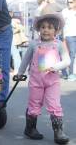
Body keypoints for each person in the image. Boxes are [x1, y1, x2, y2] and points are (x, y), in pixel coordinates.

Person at [17, 13, 70, 144]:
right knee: (34, 104)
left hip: (52, 82)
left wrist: (56, 66)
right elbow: (26, 59)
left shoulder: (59, 44)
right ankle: (30, 128)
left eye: (50, 27)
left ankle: (59, 132)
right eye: (43, 27)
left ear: (56, 30)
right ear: (39, 29)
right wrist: (20, 72)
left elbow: (67, 60)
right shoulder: (34, 44)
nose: (46, 30)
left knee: (55, 104)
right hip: (36, 81)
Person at [62, 0, 76, 81]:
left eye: (71, 2)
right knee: (72, 54)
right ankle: (71, 73)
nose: (69, 4)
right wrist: (63, 36)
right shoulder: (65, 11)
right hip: (70, 35)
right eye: (68, 2)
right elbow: (62, 24)